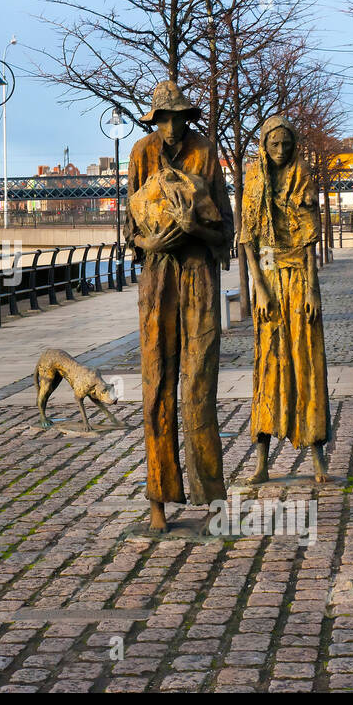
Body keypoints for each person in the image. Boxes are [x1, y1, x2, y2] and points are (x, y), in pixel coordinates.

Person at [125, 80, 234, 531]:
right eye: (163, 119)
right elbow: (128, 229)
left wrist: (194, 226)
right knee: (156, 385)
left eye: (177, 118)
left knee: (199, 385)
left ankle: (211, 500)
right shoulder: (139, 154)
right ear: (155, 120)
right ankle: (158, 498)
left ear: (186, 118)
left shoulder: (206, 153)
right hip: (157, 277)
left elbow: (225, 229)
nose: (171, 127)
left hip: (198, 276)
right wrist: (147, 240)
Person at [238, 116, 330, 485]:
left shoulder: (302, 175)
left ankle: (317, 453)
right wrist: (258, 286)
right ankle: (261, 457)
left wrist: (311, 289)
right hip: (269, 277)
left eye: (286, 145)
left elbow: (310, 240)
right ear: (264, 144)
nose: (280, 151)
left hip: (298, 278)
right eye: (274, 144)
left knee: (307, 361)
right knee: (269, 363)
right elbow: (248, 237)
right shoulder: (254, 178)